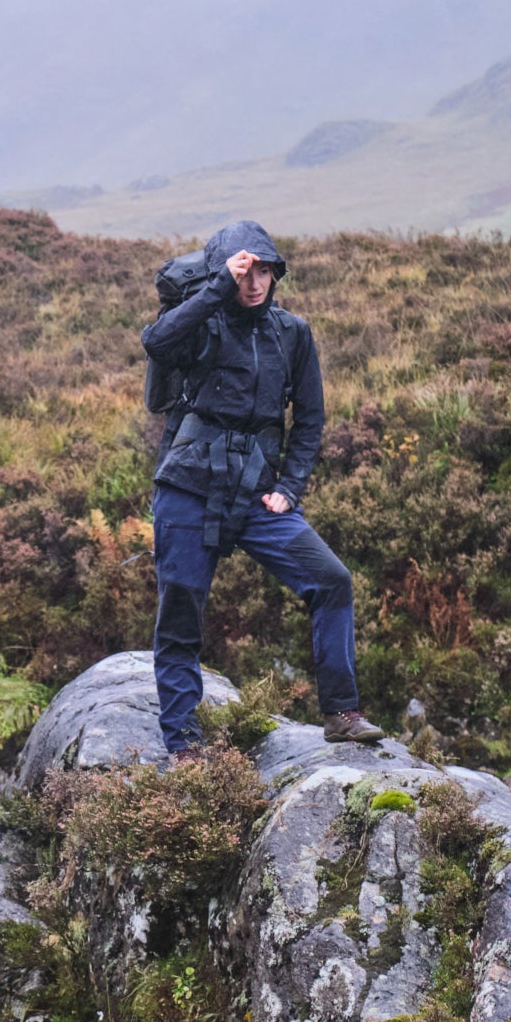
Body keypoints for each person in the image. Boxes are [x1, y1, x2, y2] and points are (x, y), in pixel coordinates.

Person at [140, 219, 382, 751]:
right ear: (224, 273)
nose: (254, 283)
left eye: (264, 270)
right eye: (244, 271)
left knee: (331, 579)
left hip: (255, 491)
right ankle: (183, 745)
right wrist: (216, 288)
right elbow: (156, 342)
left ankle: (342, 713)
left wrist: (290, 488)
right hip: (187, 487)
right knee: (181, 612)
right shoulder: (198, 322)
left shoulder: (292, 333)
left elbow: (311, 419)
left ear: (276, 273)